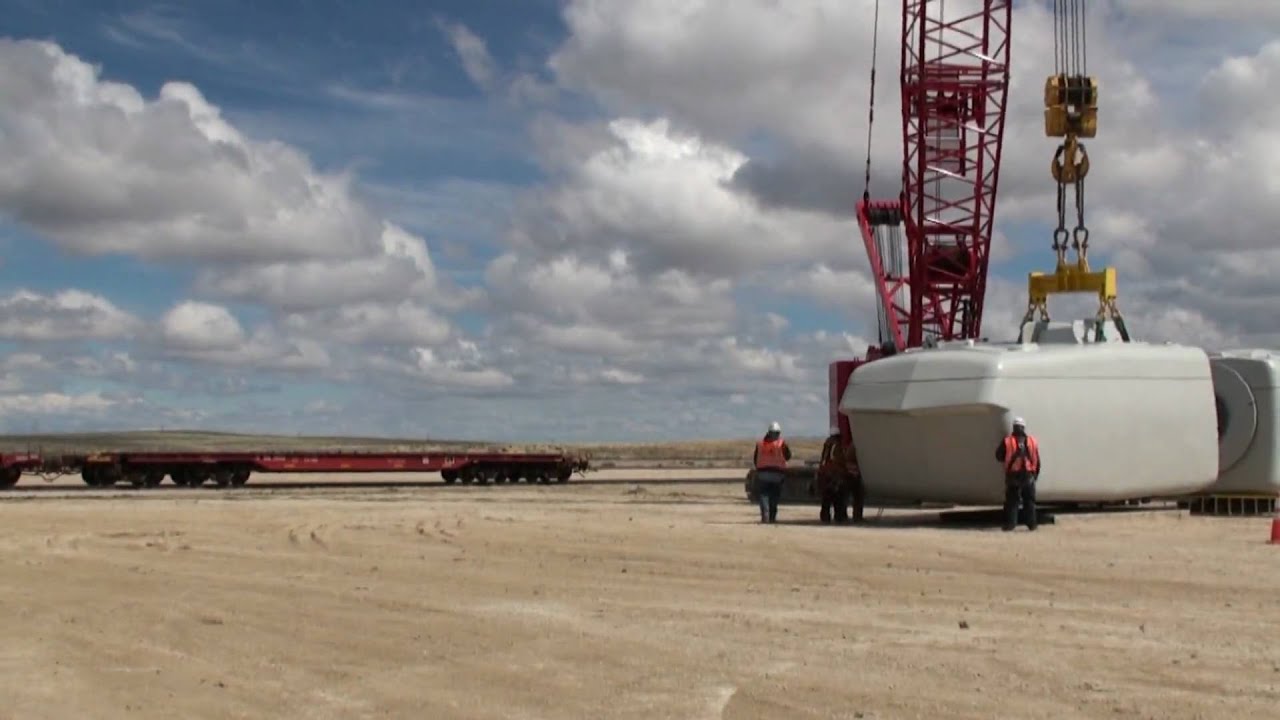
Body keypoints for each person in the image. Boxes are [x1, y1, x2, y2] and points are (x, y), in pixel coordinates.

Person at [994, 416, 1041, 531]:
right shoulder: (1031, 441)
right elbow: (1037, 460)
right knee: (1029, 502)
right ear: (1023, 427)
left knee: (1012, 502)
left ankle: (1010, 525)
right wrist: (1035, 475)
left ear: (1014, 427)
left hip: (1013, 476)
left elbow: (998, 456)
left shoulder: (1007, 441)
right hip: (1029, 475)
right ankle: (1032, 525)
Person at [753, 421, 791, 523]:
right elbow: (788, 456)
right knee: (774, 496)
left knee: (764, 495)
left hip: (763, 474)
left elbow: (755, 458)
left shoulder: (760, 444)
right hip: (778, 474)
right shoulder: (782, 444)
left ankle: (765, 514)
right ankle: (772, 517)